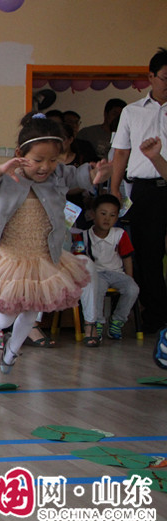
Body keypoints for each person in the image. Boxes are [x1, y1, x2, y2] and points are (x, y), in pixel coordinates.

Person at [0, 112, 111, 374]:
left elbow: (82, 175)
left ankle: (12, 351)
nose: (45, 167)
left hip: (43, 258)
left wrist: (97, 173)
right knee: (6, 314)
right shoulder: (7, 176)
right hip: (11, 258)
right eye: (37, 160)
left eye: (52, 160)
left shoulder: (58, 175)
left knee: (32, 312)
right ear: (19, 154)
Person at [110, 47, 167, 334]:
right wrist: (114, 190)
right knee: (148, 255)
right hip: (145, 191)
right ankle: (156, 316)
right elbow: (120, 154)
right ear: (151, 77)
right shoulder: (132, 112)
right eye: (166, 77)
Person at [75, 194, 139, 347]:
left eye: (112, 215)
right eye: (103, 214)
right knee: (97, 289)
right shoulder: (83, 236)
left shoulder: (120, 234)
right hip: (96, 274)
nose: (107, 219)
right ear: (93, 214)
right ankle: (97, 322)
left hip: (117, 273)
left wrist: (129, 278)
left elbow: (127, 258)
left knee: (133, 289)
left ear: (117, 217)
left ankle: (117, 320)